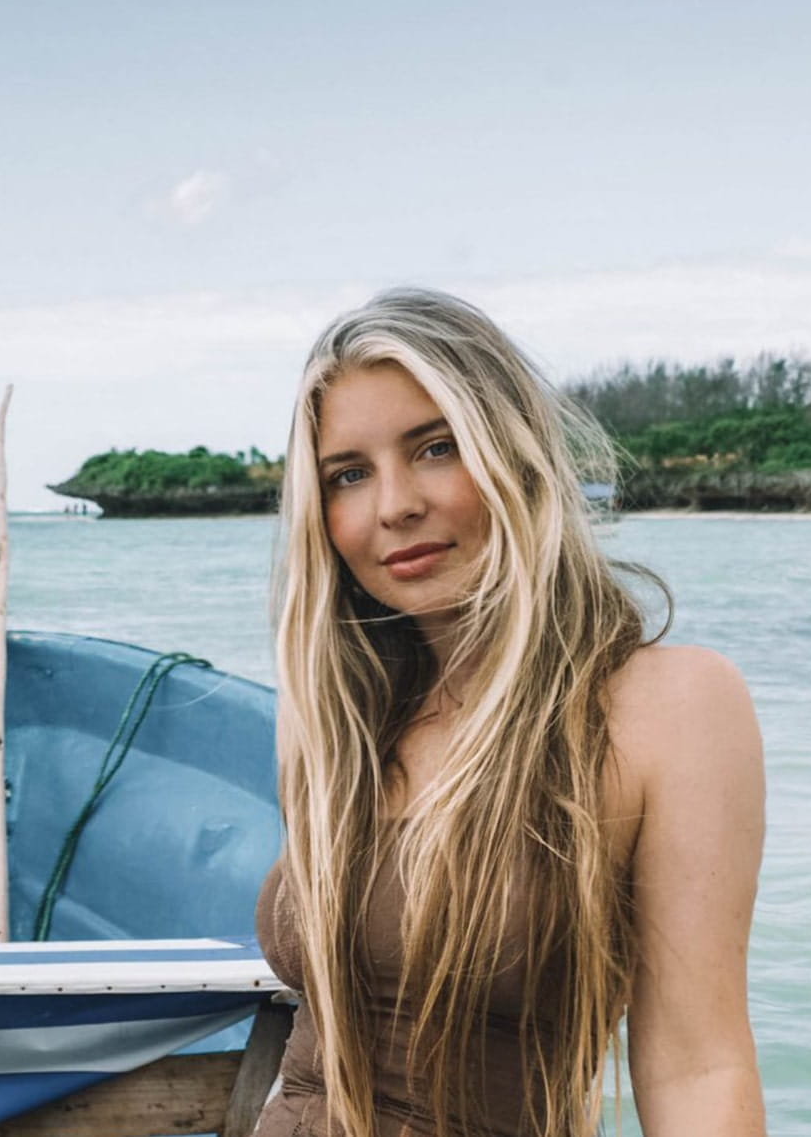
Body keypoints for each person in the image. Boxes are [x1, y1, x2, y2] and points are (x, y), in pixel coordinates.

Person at [255, 290, 765, 1137]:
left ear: (517, 453)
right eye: (349, 473)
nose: (394, 505)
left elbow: (698, 1065)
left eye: (436, 448)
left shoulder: (666, 707)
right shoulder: (337, 713)